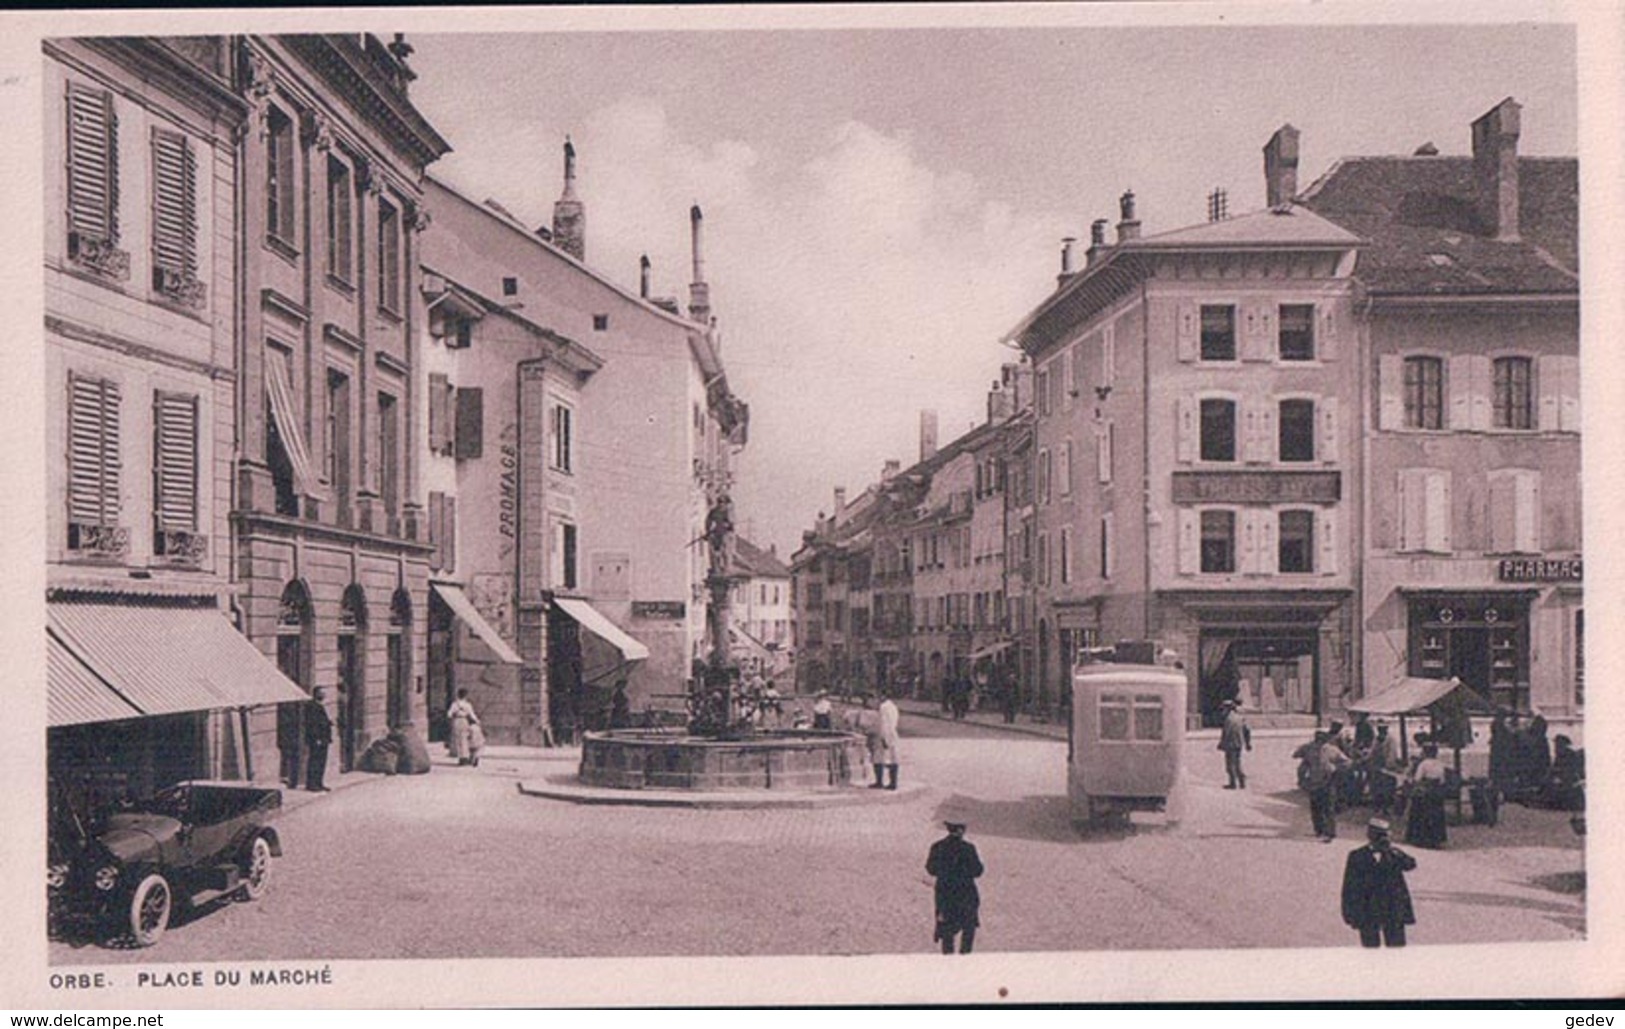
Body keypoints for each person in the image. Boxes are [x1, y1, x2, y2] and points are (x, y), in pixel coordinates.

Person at [1341, 817, 1417, 948]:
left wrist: (1392, 852)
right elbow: (1349, 886)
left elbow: (1410, 865)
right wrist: (1349, 912)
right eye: (1378, 835)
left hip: (1392, 908)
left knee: (1396, 950)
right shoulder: (1357, 856)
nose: (1382, 839)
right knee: (1370, 950)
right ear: (1370, 835)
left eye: (1385, 835)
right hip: (1368, 909)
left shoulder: (1394, 854)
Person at [926, 821, 984, 954]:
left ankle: (949, 965)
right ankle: (965, 962)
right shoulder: (969, 848)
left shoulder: (937, 847)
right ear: (961, 831)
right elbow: (978, 871)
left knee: (947, 932)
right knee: (968, 929)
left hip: (946, 894)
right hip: (966, 893)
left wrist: (945, 872)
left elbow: (931, 869)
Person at [1295, 729, 1350, 841]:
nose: (1319, 743)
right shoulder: (1309, 748)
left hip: (1328, 782)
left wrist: (1335, 768)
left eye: (1321, 740)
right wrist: (1302, 779)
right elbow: (1298, 757)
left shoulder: (1332, 750)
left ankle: (1330, 832)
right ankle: (1319, 830)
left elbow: (1347, 762)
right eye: (1317, 740)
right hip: (1314, 782)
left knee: (1328, 808)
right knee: (1315, 807)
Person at [1404, 744, 1450, 849]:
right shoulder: (1440, 764)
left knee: (1416, 806)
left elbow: (1417, 779)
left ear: (1425, 753)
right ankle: (1436, 838)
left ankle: (1419, 837)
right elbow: (1442, 780)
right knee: (1436, 812)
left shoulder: (1423, 764)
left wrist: (1409, 779)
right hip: (1436, 794)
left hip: (1426, 793)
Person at [1217, 698, 1252, 789]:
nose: (1222, 712)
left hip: (1230, 744)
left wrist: (1221, 744)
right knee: (1237, 763)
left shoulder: (1228, 720)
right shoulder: (1240, 718)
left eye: (1223, 709)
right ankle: (1242, 781)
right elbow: (1247, 731)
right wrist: (1248, 743)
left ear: (1228, 709)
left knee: (1230, 764)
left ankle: (1233, 783)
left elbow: (1226, 733)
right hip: (1239, 744)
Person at [303, 687, 333, 792]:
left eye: (324, 693)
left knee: (321, 762)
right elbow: (312, 724)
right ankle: (312, 784)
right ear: (316, 694)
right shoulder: (312, 706)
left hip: (324, 739)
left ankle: (319, 783)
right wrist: (317, 738)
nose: (324, 695)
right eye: (322, 693)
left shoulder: (320, 705)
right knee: (315, 761)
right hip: (317, 739)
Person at [877, 691, 902, 790]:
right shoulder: (893, 706)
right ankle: (893, 782)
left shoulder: (883, 707)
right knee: (894, 758)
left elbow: (883, 723)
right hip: (893, 733)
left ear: (883, 696)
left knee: (885, 758)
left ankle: (889, 783)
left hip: (887, 734)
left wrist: (883, 737)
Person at [447, 688, 478, 766]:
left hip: (457, 721)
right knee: (465, 739)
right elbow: (472, 715)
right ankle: (466, 757)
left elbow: (449, 714)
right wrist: (477, 721)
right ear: (465, 696)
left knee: (458, 740)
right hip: (464, 721)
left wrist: (454, 715)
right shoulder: (467, 705)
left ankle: (461, 758)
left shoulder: (454, 704)